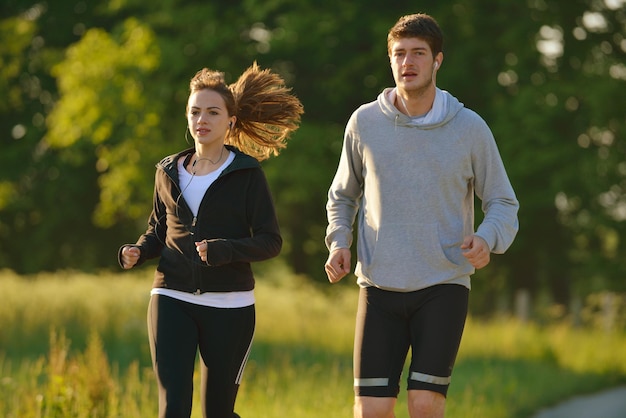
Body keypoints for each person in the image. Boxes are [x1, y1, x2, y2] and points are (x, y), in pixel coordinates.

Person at [324, 13, 519, 418]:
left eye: (418, 53)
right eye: (399, 54)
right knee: (370, 410)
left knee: (425, 405)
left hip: (442, 283)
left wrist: (487, 238)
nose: (407, 62)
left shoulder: (469, 128)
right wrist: (339, 240)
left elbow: (502, 201)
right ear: (390, 60)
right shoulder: (364, 123)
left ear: (437, 61)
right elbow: (343, 196)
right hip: (379, 286)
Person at [118, 62, 303, 418]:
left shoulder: (247, 174)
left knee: (218, 412)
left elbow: (270, 241)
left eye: (213, 112)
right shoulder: (167, 171)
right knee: (173, 408)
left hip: (230, 305)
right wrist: (137, 251)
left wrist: (224, 251)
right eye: (195, 111)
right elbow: (159, 231)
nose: (202, 119)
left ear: (230, 121)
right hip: (171, 295)